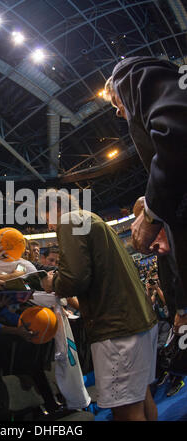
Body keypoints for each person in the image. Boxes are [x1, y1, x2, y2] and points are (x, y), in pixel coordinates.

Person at [40, 189, 158, 421]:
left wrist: (53, 282)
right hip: (137, 321)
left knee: (126, 410)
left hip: (116, 329)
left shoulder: (70, 220)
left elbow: (75, 278)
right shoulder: (92, 219)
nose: (49, 227)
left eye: (45, 219)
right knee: (143, 397)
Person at [104, 56, 187, 334]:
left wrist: (152, 213)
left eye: (114, 103)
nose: (117, 113)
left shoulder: (131, 75)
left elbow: (177, 131)